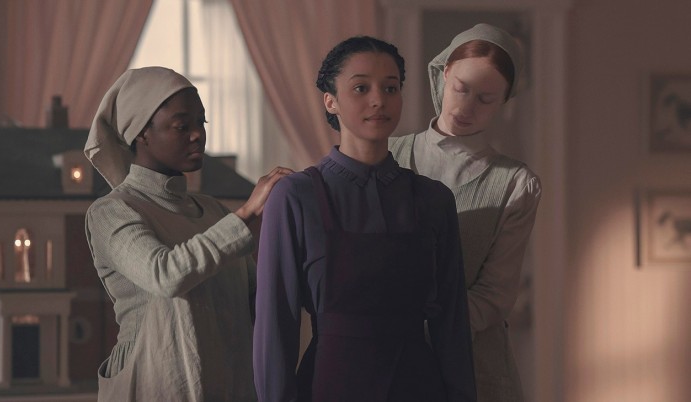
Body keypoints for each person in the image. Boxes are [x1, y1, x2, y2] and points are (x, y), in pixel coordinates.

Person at [254, 36, 476, 402]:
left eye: (390, 88)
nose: (378, 100)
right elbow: (275, 325)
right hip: (330, 385)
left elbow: (452, 327)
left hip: (419, 387)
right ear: (331, 101)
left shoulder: (434, 199)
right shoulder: (295, 196)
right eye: (361, 88)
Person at [84, 66, 291, 401]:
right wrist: (248, 213)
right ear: (142, 133)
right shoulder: (112, 211)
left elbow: (258, 298)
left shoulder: (213, 211)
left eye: (201, 122)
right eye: (182, 126)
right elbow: (165, 275)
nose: (197, 135)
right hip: (151, 381)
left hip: (230, 384)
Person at [389, 23, 542, 401]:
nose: (467, 107)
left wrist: (429, 330)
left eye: (486, 99)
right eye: (461, 88)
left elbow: (495, 294)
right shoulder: (388, 155)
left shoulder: (516, 184)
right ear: (443, 74)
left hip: (474, 368)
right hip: (387, 361)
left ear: (504, 102)